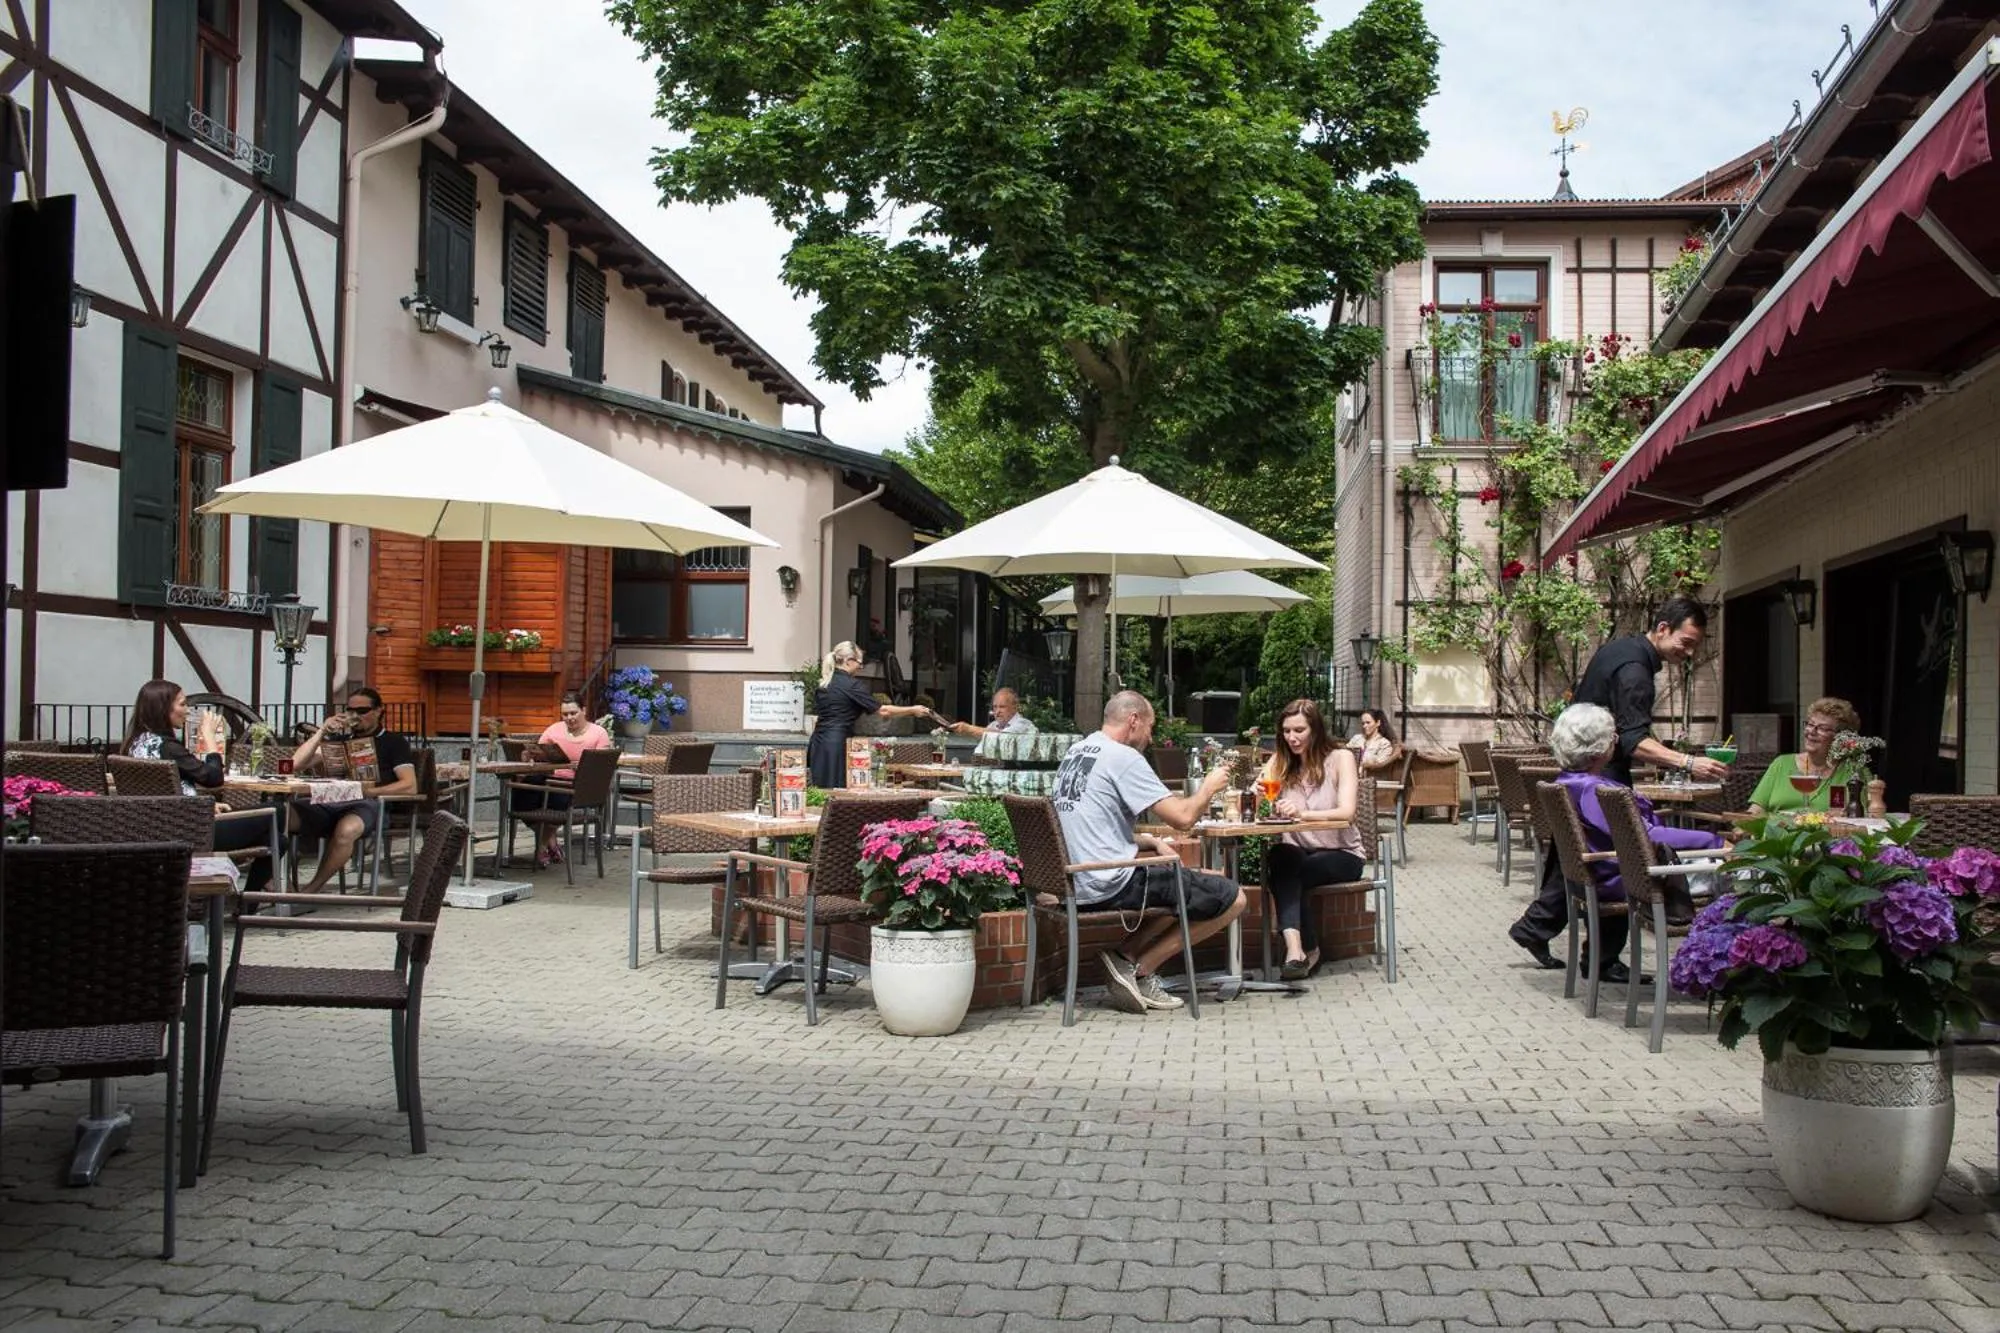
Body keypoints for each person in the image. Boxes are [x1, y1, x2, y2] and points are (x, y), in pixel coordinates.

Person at [1052, 690, 1247, 1013]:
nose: (1150, 736)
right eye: (1150, 727)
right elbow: (1183, 818)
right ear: (1134, 720)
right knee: (1233, 897)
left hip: (1075, 881)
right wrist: (1210, 787)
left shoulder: (1078, 751)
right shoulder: (1123, 757)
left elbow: (1092, 824)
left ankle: (1123, 957)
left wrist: (1147, 841)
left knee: (1188, 880)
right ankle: (1142, 969)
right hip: (1107, 883)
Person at [1508, 702, 1722, 980]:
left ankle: (1599, 961)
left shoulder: (1568, 780)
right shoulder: (1595, 790)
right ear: (1599, 750)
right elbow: (1645, 836)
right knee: (1729, 875)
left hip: (1598, 871)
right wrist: (1713, 840)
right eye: (1613, 736)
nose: (1616, 741)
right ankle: (1721, 965)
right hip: (1622, 877)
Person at [121, 679, 272, 891]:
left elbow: (163, 789)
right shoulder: (168, 747)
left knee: (276, 839)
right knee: (276, 812)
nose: (187, 710)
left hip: (156, 828)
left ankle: (247, 901)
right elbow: (213, 778)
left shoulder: (135, 743)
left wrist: (201, 804)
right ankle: (247, 904)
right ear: (163, 709)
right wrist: (209, 736)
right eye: (182, 704)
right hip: (192, 831)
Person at [1572, 595, 1728, 787]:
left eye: (1695, 646)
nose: (1690, 652)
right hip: (1602, 782)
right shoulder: (1635, 670)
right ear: (1663, 629)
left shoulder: (1618, 649)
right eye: (1686, 642)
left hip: (1577, 776)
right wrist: (1688, 762)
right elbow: (1634, 741)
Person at [1261, 699, 1364, 980]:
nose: (1292, 738)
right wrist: (1258, 796)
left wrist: (1302, 814)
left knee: (1288, 873)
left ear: (1315, 730)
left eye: (1299, 730)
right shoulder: (1281, 763)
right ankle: (1296, 951)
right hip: (1299, 853)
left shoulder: (1340, 758)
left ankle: (1306, 949)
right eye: (1286, 731)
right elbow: (1260, 796)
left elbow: (1347, 812)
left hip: (1343, 853)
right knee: (1280, 856)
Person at [288, 685, 418, 893]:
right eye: (350, 711)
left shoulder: (393, 742)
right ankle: (277, 884)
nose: (355, 716)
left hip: (369, 804)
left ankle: (311, 890)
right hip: (331, 802)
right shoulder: (339, 741)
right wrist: (322, 731)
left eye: (362, 711)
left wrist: (370, 792)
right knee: (278, 816)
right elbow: (295, 764)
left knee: (346, 830)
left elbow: (410, 786)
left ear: (378, 711)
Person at [805, 640, 930, 788]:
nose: (861, 667)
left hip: (818, 742)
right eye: (859, 662)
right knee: (836, 789)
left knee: (818, 789)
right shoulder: (852, 685)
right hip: (836, 744)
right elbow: (883, 710)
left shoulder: (825, 683)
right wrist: (912, 710)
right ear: (848, 661)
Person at [513, 692, 613, 868]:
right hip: (549, 779)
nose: (569, 718)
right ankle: (550, 840)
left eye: (573, 713)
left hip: (577, 786)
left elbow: (601, 767)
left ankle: (541, 847)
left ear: (583, 710)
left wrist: (580, 766)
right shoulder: (554, 729)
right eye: (565, 714)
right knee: (522, 791)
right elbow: (539, 750)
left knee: (556, 799)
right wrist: (530, 755)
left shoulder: (598, 733)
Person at [1748, 697, 1862, 814]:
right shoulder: (1781, 764)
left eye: (1822, 728)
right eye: (1810, 724)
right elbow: (1755, 811)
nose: (1811, 732)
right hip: (1777, 825)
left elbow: (1865, 818)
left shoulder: (1853, 771)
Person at [941, 687, 1037, 740]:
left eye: (1002, 707)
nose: (997, 711)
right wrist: (963, 731)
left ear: (1014, 707)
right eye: (995, 707)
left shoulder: (1023, 724)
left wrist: (968, 729)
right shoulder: (993, 725)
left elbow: (1002, 738)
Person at [1347, 708, 1403, 774]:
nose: (1364, 726)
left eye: (1368, 723)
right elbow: (1345, 753)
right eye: (1363, 723)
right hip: (1350, 772)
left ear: (1378, 723)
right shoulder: (1357, 738)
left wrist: (1365, 764)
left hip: (1369, 777)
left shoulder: (1384, 744)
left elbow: (1380, 765)